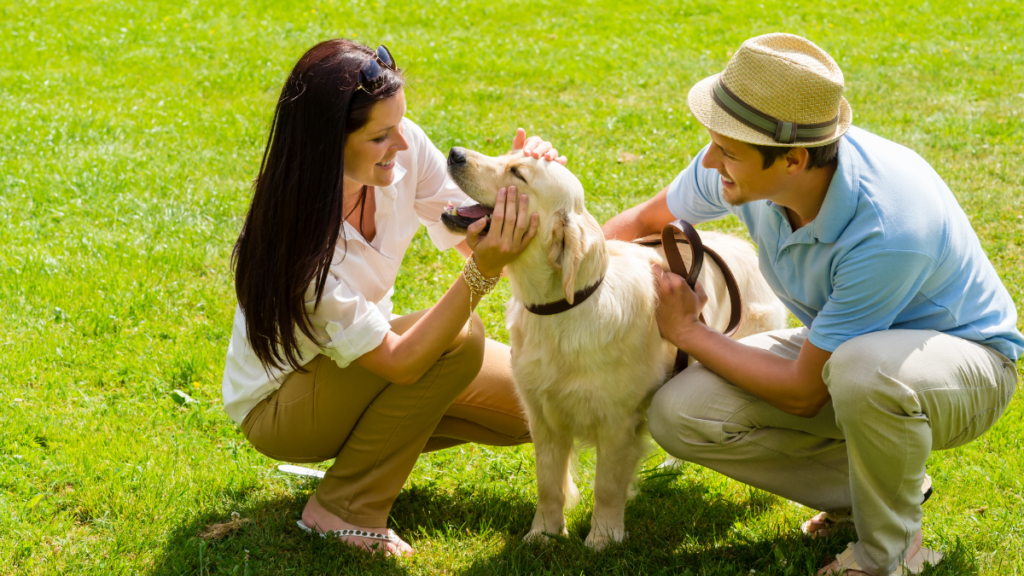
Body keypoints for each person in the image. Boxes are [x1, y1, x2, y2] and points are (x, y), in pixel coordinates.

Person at [603, 33, 1023, 575]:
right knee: (680, 414)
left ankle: (889, 554)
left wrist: (689, 333)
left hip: (967, 365)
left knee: (862, 372)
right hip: (844, 347)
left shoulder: (890, 225)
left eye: (727, 151)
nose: (710, 160)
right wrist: (583, 293)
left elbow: (803, 393)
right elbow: (640, 223)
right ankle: (882, 490)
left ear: (794, 161)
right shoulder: (741, 164)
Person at [221, 39, 564, 557]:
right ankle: (342, 507)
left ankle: (369, 458)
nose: (402, 145)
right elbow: (401, 364)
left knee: (531, 407)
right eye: (381, 136)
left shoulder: (398, 151)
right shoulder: (296, 245)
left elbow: (469, 225)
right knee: (458, 339)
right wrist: (480, 275)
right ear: (326, 143)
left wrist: (524, 181)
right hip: (282, 405)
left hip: (360, 364)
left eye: (400, 125)